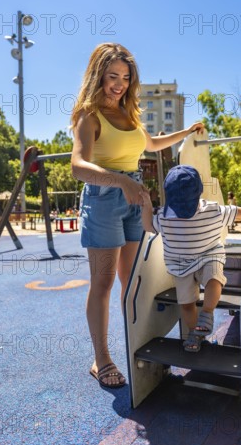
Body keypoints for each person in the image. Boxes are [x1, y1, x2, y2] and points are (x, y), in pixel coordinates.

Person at [70, 43, 204, 388]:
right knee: (102, 282)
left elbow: (153, 144)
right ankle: (102, 360)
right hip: (103, 198)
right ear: (98, 74)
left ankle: (138, 344)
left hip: (135, 198)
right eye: (113, 76)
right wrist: (118, 181)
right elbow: (78, 166)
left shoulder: (130, 115)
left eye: (126, 78)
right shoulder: (89, 115)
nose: (119, 84)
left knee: (133, 281)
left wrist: (186, 132)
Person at [140, 165, 241, 352]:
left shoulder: (212, 210)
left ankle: (207, 313)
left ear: (199, 194)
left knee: (213, 278)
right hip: (180, 264)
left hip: (208, 255)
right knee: (186, 305)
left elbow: (233, 211)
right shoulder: (164, 216)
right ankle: (195, 333)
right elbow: (148, 225)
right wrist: (147, 206)